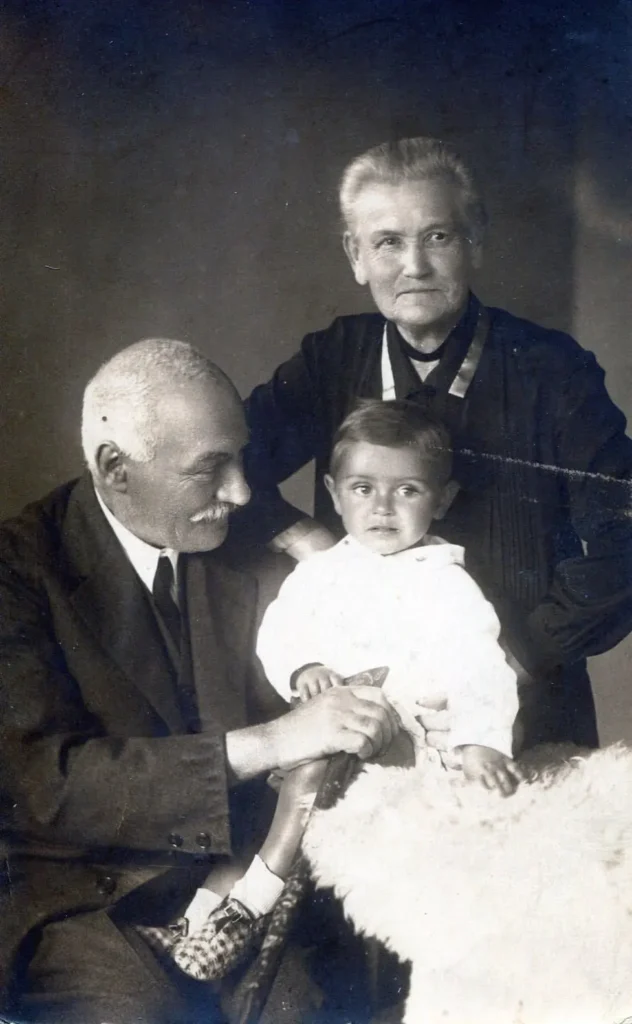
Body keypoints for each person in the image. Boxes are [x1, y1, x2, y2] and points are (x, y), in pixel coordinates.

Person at [0, 338, 400, 1024]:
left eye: (241, 458)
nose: (242, 491)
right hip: (88, 899)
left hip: (250, 880)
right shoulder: (18, 569)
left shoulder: (249, 542)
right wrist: (269, 741)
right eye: (210, 468)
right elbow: (42, 783)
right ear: (115, 468)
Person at [243, 135, 632, 755]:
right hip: (365, 724)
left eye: (438, 236)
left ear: (475, 239)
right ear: (355, 255)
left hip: (527, 708)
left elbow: (626, 536)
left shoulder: (552, 369)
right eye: (388, 242)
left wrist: (518, 662)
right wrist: (305, 539)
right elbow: (222, 470)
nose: (414, 266)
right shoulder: (333, 358)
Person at [143, 398, 525, 984]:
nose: (382, 508)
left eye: (408, 491)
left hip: (402, 747)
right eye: (364, 488)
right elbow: (281, 632)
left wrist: (480, 740)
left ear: (442, 499)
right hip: (327, 730)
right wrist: (305, 667)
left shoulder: (447, 584)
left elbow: (483, 668)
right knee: (259, 802)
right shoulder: (321, 573)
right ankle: (196, 917)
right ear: (334, 490)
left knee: (318, 761)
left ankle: (248, 908)